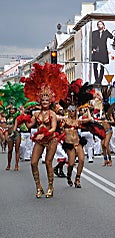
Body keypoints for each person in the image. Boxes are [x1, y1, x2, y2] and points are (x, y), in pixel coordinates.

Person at [19, 63, 69, 198]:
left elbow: (53, 128)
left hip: (51, 139)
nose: (45, 101)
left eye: (47, 99)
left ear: (51, 100)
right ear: (40, 100)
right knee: (33, 162)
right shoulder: (36, 114)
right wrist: (23, 117)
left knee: (48, 162)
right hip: (40, 139)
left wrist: (45, 134)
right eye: (43, 99)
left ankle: (50, 187)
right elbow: (29, 126)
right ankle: (39, 187)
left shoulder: (52, 114)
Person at [61, 105, 93, 188]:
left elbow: (90, 119)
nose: (72, 112)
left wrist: (88, 109)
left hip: (78, 143)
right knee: (71, 164)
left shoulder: (78, 121)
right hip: (69, 144)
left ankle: (77, 178)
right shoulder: (64, 120)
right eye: (70, 110)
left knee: (82, 160)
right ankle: (69, 176)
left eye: (74, 110)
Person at [92, 20, 113, 85]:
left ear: (103, 25)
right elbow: (91, 41)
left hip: (103, 51)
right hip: (96, 51)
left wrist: (106, 30)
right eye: (98, 24)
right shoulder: (94, 33)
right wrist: (93, 48)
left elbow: (111, 36)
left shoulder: (105, 33)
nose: (99, 26)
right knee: (95, 66)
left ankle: (99, 80)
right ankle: (96, 80)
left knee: (102, 67)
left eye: (100, 24)